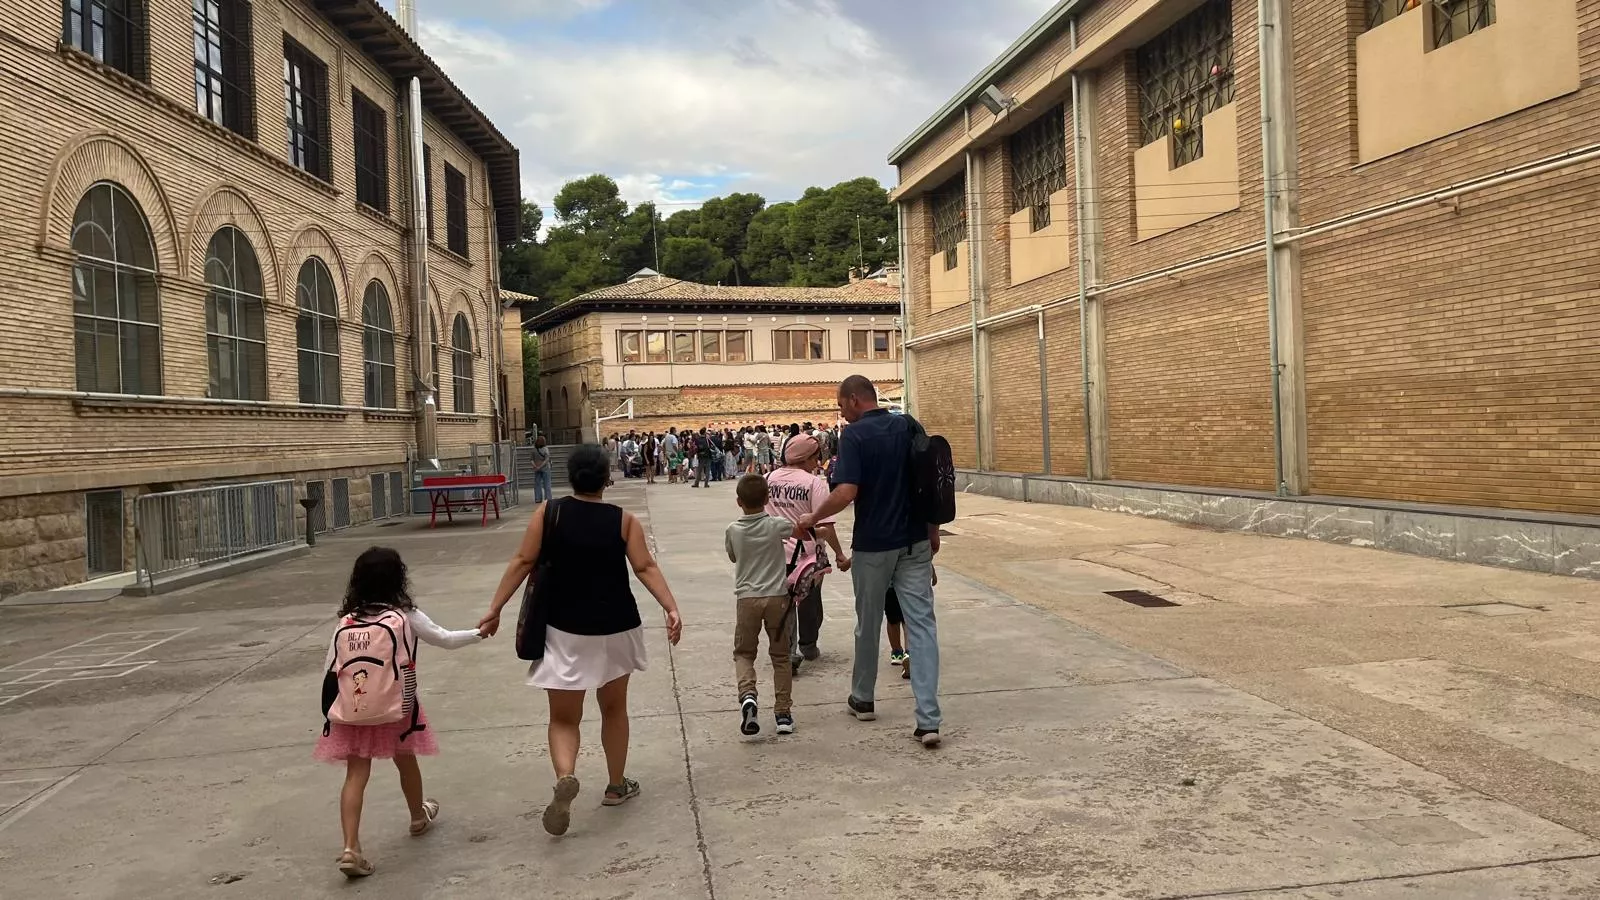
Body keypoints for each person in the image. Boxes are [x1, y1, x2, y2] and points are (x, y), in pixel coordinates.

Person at [479, 445, 684, 836]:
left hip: (564, 629)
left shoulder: (549, 513)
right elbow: (645, 566)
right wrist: (671, 608)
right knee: (614, 709)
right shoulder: (624, 521)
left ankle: (566, 774)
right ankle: (615, 785)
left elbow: (522, 561)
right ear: (607, 478)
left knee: (563, 717)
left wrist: (495, 608)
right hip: (617, 627)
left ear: (570, 478)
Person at [315, 547, 487, 878]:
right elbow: (444, 638)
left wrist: (330, 710)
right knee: (405, 758)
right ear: (399, 578)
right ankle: (418, 817)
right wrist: (479, 633)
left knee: (355, 774)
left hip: (353, 708)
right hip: (396, 706)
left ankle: (351, 847)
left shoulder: (347, 620)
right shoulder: (405, 614)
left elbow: (331, 669)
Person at [796, 375, 942, 748]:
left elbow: (846, 491)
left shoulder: (856, 436)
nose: (840, 411)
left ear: (856, 399)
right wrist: (933, 530)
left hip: (874, 544)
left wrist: (814, 517)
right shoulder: (908, 425)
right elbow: (931, 478)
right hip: (914, 541)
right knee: (921, 625)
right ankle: (928, 720)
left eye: (841, 404)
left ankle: (863, 698)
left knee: (869, 621)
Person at [764, 434, 848, 673]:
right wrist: (840, 554)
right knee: (810, 603)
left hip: (774, 554)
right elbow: (827, 526)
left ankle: (787, 650)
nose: (818, 461)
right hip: (807, 556)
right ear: (808, 457)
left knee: (783, 603)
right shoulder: (814, 483)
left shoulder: (767, 479)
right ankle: (808, 645)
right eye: (816, 456)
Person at [726, 474, 799, 736]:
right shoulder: (777, 525)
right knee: (780, 656)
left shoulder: (733, 530)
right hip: (777, 598)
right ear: (768, 499)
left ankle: (748, 695)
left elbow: (733, 556)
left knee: (744, 653)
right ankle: (783, 714)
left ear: (738, 502)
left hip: (747, 599)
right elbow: (800, 531)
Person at [530, 436, 553, 503]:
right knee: (547, 483)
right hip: (545, 468)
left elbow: (531, 460)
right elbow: (547, 459)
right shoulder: (546, 449)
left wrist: (535, 466)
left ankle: (538, 498)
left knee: (537, 484)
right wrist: (541, 466)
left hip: (536, 468)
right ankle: (548, 498)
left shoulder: (534, 450)